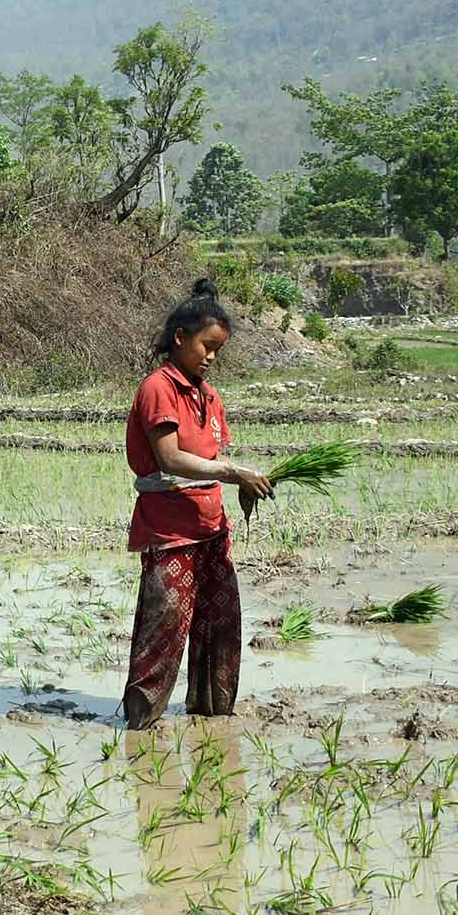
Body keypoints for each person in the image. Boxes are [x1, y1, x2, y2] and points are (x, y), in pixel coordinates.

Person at [122, 279, 274, 729]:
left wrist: (243, 484)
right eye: (206, 346)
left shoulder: (209, 397)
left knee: (219, 628)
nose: (210, 357)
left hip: (211, 530)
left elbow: (211, 457)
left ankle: (213, 721)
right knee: (163, 632)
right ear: (179, 338)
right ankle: (141, 727)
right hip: (170, 534)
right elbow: (170, 458)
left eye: (218, 351)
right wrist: (233, 472)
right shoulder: (158, 388)